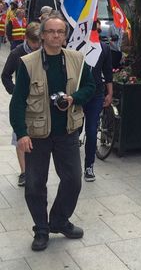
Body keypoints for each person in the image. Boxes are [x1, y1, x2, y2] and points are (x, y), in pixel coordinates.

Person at [9, 13, 95, 251]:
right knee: (35, 184)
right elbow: (17, 102)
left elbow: (90, 86)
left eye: (60, 32)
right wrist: (21, 133)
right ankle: (41, 229)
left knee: (73, 181)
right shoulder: (28, 63)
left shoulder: (78, 59)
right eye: (51, 32)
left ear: (65, 36)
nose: (56, 36)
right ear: (43, 35)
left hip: (67, 131)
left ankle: (59, 220)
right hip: (37, 134)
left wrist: (73, 98)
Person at [2, 23, 42, 186]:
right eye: (34, 42)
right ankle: (24, 172)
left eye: (39, 42)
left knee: (39, 136)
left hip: (39, 101)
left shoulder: (44, 52)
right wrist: (15, 92)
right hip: (22, 102)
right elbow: (5, 76)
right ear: (27, 38)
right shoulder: (16, 53)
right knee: (20, 135)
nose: (36, 46)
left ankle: (37, 170)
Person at [83, 20, 113, 182]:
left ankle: (89, 165)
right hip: (79, 94)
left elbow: (108, 72)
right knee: (74, 130)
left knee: (92, 130)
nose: (98, 32)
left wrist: (110, 93)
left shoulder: (104, 48)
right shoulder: (78, 46)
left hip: (96, 94)